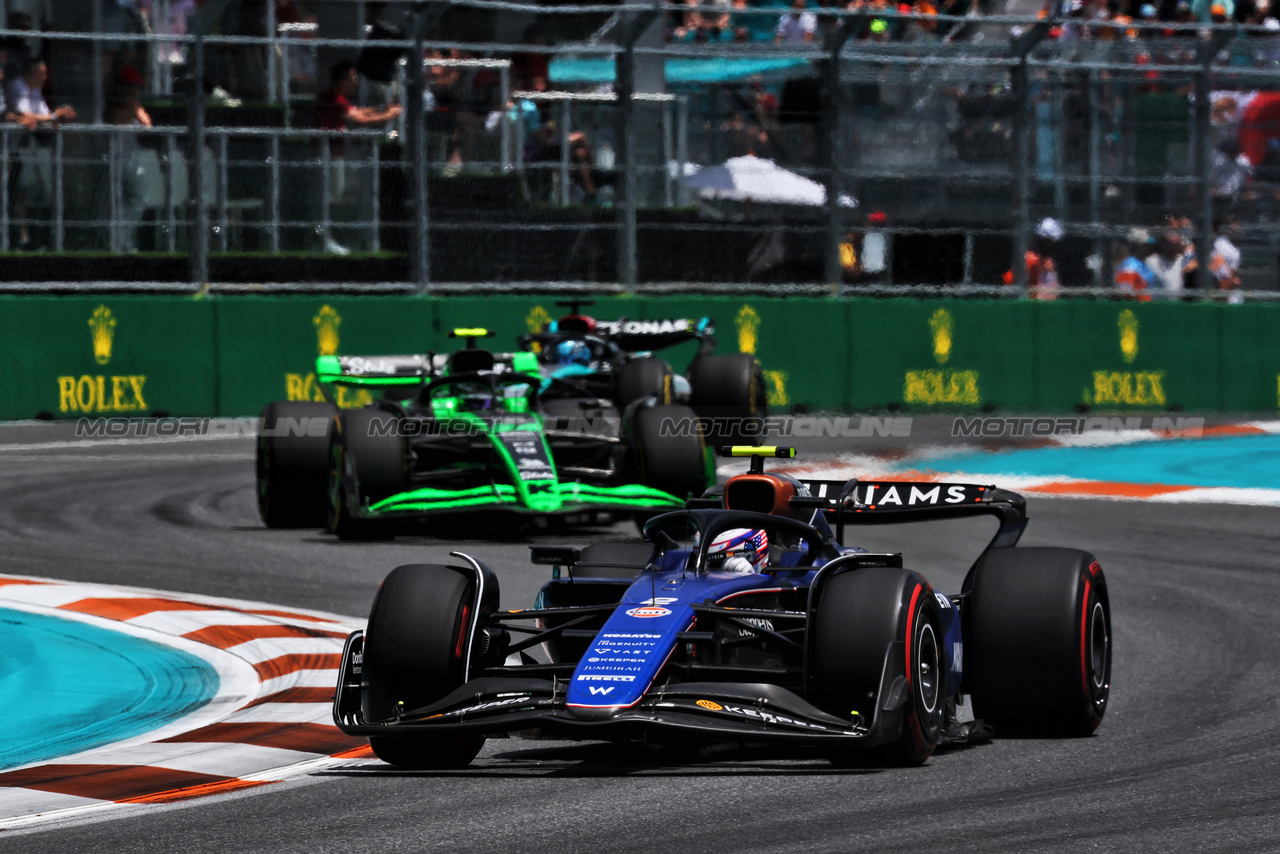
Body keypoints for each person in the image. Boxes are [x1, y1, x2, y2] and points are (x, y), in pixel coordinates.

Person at [315, 61, 401, 254]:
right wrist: (390, 114)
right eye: (352, 78)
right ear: (343, 80)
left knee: (333, 198)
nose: (355, 82)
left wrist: (383, 108)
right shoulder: (332, 97)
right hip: (327, 156)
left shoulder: (338, 97)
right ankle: (323, 239)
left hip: (335, 154)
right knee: (328, 199)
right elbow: (362, 119)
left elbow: (360, 111)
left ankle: (325, 238)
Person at [7, 58, 75, 250]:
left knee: (26, 194)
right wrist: (54, 116)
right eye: (43, 73)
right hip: (10, 151)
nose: (46, 77)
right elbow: (25, 115)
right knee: (14, 195)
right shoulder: (17, 87)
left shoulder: (35, 91)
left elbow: (42, 118)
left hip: (27, 150)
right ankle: (19, 239)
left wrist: (58, 118)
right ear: (33, 73)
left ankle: (29, 239)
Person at [1113, 229, 1157, 301]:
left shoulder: (1147, 263)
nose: (1151, 247)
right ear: (1140, 246)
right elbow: (1125, 291)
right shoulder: (1129, 266)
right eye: (1147, 245)